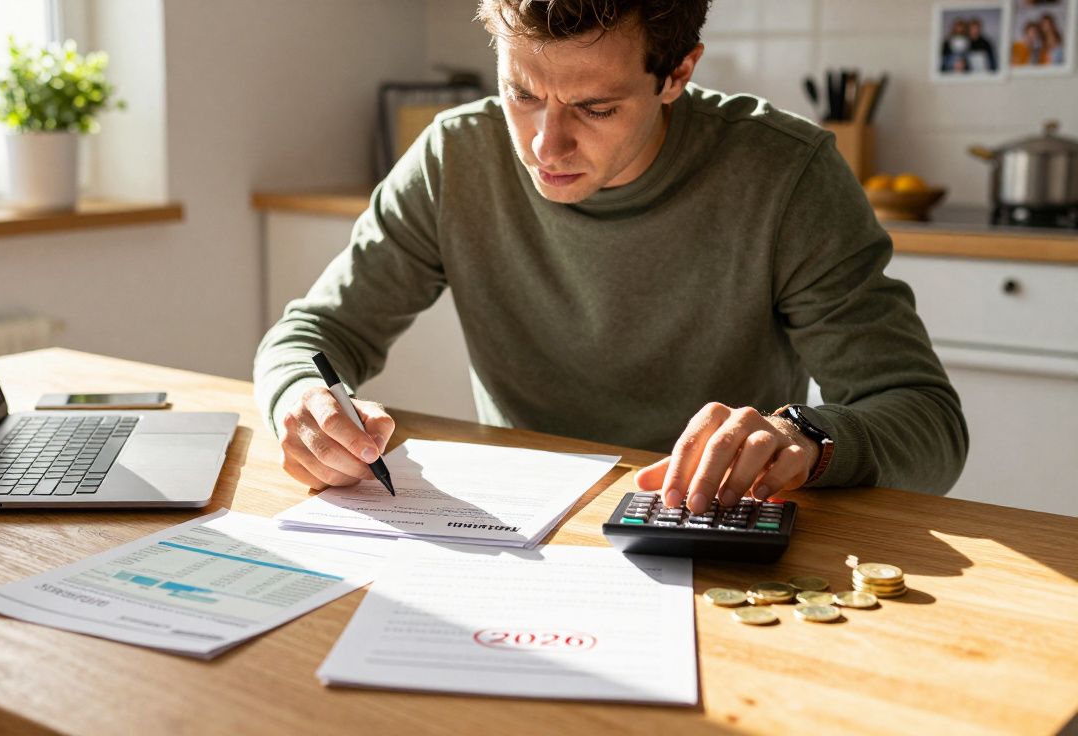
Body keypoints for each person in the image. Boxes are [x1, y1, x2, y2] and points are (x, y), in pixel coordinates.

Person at [254, 0, 968, 514]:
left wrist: (805, 437)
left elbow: (928, 423)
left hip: (707, 531)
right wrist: (301, 401)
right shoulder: (454, 157)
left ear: (677, 73)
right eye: (521, 94)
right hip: (519, 532)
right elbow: (312, 336)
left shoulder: (786, 175)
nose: (544, 145)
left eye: (595, 107)